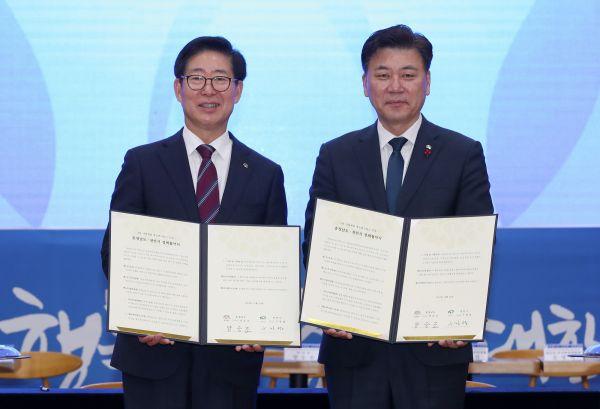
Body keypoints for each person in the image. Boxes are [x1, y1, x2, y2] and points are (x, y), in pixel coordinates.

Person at [303, 24, 493, 409]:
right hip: (354, 348)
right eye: (382, 75)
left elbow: (477, 245)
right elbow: (317, 241)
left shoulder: (462, 154)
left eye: (408, 75)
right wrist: (329, 306)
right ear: (365, 83)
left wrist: (461, 315)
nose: (395, 87)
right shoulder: (336, 155)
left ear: (427, 82)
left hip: (434, 349)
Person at [101, 36, 287, 409]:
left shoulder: (265, 173)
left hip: (230, 361)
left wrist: (262, 323)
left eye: (220, 79)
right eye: (196, 78)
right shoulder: (142, 163)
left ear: (237, 90)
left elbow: (274, 264)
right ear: (178, 88)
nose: (208, 90)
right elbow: (115, 252)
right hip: (153, 353)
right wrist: (141, 316)